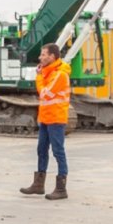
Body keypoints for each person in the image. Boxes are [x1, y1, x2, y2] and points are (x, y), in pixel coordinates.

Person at [20, 43, 70, 201]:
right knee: (41, 150)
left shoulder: (60, 74)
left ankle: (61, 188)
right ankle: (38, 184)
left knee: (58, 152)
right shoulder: (48, 72)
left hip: (56, 119)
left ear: (52, 57)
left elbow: (45, 93)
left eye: (43, 55)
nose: (40, 57)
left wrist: (39, 76)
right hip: (46, 118)